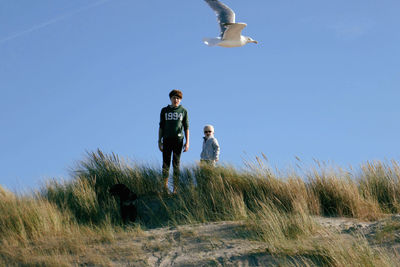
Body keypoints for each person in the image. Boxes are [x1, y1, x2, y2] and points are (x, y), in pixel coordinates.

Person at [158, 89, 189, 193]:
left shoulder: (183, 111)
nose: (176, 100)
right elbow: (161, 126)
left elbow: (186, 127)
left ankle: (175, 188)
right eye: (174, 98)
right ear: (170, 98)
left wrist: (187, 142)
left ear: (180, 100)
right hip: (167, 139)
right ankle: (164, 186)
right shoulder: (164, 110)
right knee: (165, 163)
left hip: (178, 140)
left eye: (178, 98)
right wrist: (159, 141)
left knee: (176, 163)